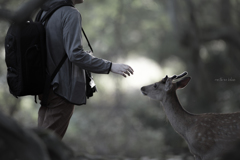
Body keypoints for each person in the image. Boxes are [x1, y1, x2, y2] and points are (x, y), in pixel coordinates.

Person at [38, 0, 134, 139]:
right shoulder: (70, 13)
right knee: (47, 145)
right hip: (61, 90)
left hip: (46, 88)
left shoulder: (45, 11)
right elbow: (75, 55)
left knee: (39, 140)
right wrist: (111, 66)